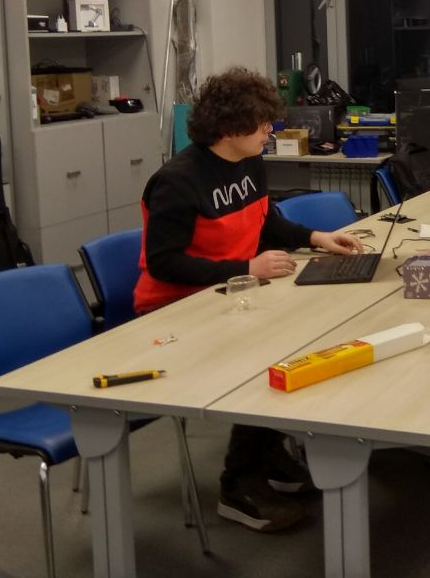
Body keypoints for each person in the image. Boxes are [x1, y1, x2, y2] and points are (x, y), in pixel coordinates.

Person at [133, 67, 364, 533]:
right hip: (173, 309)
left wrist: (316, 237)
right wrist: (246, 269)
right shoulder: (178, 181)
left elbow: (267, 223)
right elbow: (163, 264)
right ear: (228, 127)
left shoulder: (249, 163)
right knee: (269, 356)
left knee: (305, 336)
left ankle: (268, 453)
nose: (269, 131)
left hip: (231, 293)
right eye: (260, 124)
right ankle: (238, 484)